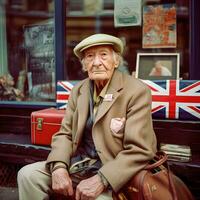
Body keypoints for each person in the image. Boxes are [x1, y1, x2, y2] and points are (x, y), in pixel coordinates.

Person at [17, 33, 157, 200]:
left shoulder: (136, 91)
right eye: (90, 56)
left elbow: (140, 150)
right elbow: (65, 134)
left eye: (104, 55)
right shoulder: (79, 90)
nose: (97, 62)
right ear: (84, 64)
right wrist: (59, 167)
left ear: (116, 61)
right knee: (27, 175)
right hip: (81, 164)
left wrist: (102, 179)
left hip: (115, 173)